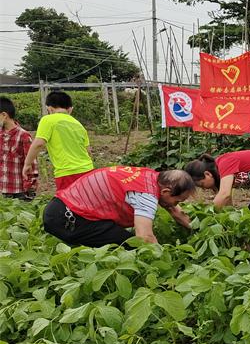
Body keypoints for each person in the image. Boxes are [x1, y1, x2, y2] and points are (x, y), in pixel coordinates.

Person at [42, 166, 194, 247]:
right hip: (67, 218)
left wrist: (195, 230)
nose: (176, 205)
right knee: (130, 245)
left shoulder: (150, 176)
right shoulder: (146, 196)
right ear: (166, 191)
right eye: (177, 201)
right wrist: (168, 259)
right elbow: (145, 237)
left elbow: (173, 209)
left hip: (60, 207)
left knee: (117, 237)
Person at [22, 91, 94, 190]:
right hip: (88, 170)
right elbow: (88, 151)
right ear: (70, 109)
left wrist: (27, 164)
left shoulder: (48, 120)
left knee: (67, 199)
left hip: (67, 172)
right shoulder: (78, 124)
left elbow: (39, 144)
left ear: (49, 109)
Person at [0, 96, 38, 199]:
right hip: (3, 189)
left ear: (4, 115)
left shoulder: (23, 135)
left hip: (19, 190)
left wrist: (30, 187)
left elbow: (32, 163)